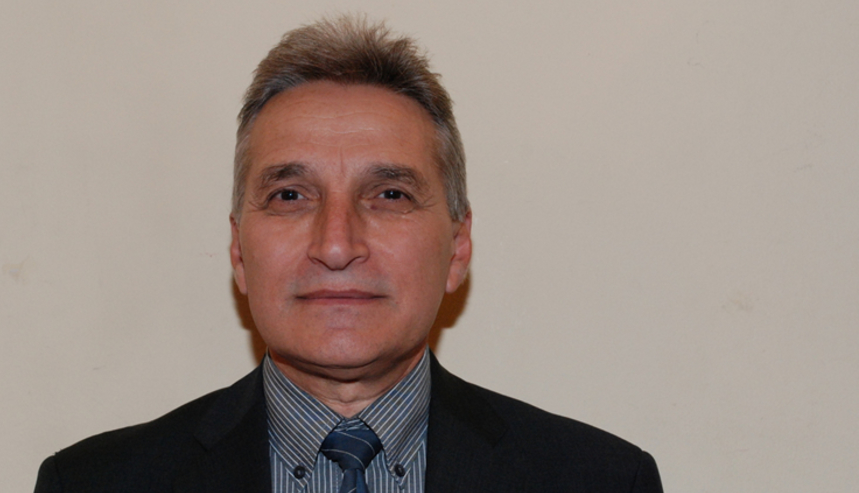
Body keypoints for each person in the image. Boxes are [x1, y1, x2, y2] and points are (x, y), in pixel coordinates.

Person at [34, 15, 663, 493]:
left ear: (457, 247)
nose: (336, 245)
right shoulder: (91, 484)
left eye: (389, 195)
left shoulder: (603, 481)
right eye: (290, 195)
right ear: (238, 250)